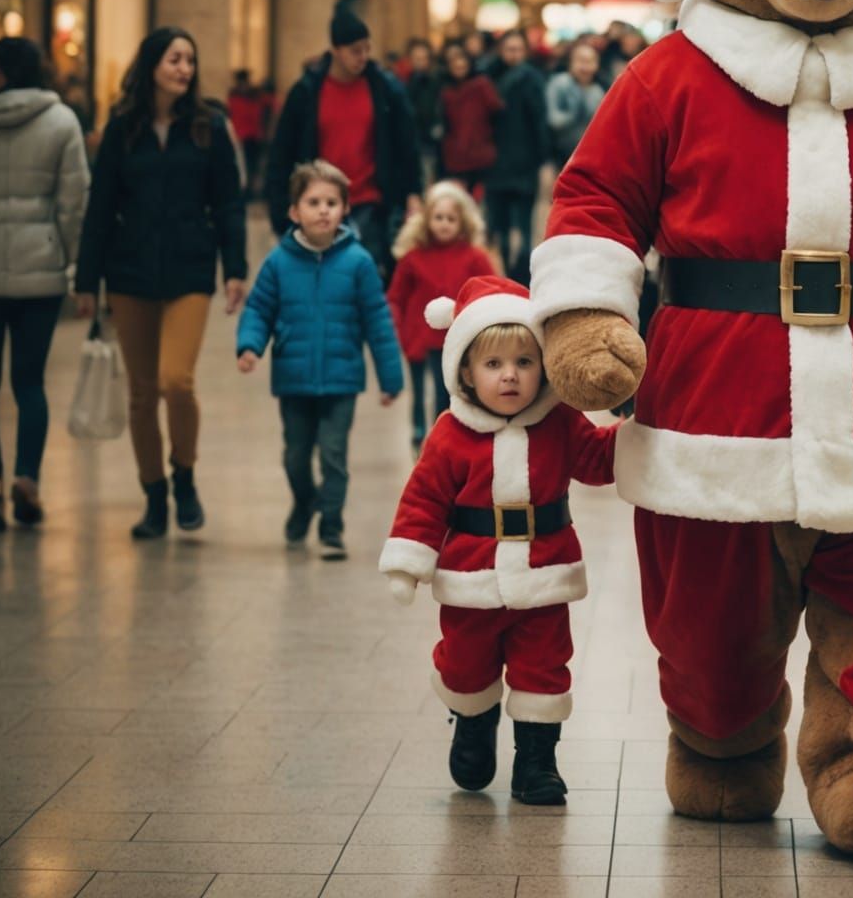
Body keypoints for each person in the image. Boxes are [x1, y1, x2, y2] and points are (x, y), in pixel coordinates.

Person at [379, 277, 619, 799]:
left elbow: (599, 461)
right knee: (465, 665)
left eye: (524, 362)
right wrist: (408, 560)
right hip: (472, 577)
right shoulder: (450, 434)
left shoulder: (560, 421)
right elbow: (424, 500)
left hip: (544, 574)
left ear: (544, 366)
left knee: (544, 668)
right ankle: (473, 722)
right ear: (466, 371)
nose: (510, 375)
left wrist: (634, 431)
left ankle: (537, 762)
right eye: (493, 364)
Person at [75, 27, 247, 539]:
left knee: (176, 380)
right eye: (175, 59)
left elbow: (229, 203)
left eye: (189, 60)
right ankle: (154, 495)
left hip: (189, 270)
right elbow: (100, 207)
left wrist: (235, 268)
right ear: (152, 65)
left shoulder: (209, 126)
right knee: (142, 393)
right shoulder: (123, 127)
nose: (184, 69)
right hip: (128, 272)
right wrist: (86, 280)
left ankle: (184, 476)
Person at [236, 160, 404, 559]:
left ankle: (331, 527)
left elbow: (377, 321)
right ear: (294, 212)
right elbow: (259, 308)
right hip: (293, 377)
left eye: (332, 202)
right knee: (295, 457)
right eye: (313, 202)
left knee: (333, 456)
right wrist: (249, 345)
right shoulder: (278, 262)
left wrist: (390, 377)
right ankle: (304, 501)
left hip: (341, 379)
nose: (324, 210)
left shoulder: (359, 262)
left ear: (345, 209)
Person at [0, 39, 89, 529]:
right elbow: (74, 204)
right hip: (42, 271)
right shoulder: (61, 121)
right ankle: (27, 477)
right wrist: (77, 268)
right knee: (30, 382)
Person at [264, 9, 422, 281]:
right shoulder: (307, 91)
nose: (363, 57)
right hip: (321, 203)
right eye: (355, 51)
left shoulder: (384, 89)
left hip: (370, 203)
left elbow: (406, 144)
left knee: (367, 281)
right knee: (324, 280)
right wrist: (280, 211)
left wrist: (412, 192)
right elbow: (282, 151)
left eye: (367, 49)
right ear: (336, 50)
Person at [389, 182, 497, 452]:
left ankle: (442, 435)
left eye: (451, 218)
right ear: (426, 220)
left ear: (463, 222)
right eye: (438, 217)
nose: (444, 224)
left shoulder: (475, 257)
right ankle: (418, 433)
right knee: (418, 389)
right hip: (417, 337)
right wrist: (397, 328)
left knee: (446, 390)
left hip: (455, 339)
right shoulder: (413, 258)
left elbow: (492, 290)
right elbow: (396, 297)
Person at [484, 30, 550, 283]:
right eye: (509, 49)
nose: (513, 54)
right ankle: (507, 275)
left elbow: (539, 121)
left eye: (518, 49)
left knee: (524, 226)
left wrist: (542, 158)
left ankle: (521, 277)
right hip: (496, 162)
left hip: (523, 162)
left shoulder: (531, 79)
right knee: (499, 226)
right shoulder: (489, 76)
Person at [439, 42, 502, 188]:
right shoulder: (446, 92)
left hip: (481, 152)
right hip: (457, 155)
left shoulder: (481, 85)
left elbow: (496, 111)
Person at [545, 41, 605, 168]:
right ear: (571, 62)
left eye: (590, 61)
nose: (585, 67)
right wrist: (574, 115)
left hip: (586, 158)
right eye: (581, 61)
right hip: (557, 155)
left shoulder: (598, 92)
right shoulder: (559, 84)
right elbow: (552, 120)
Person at [404, 39, 444, 186]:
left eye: (424, 58)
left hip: (431, 141)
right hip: (413, 141)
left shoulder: (437, 81)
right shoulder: (404, 82)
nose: (421, 62)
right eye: (417, 59)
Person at [227, 70, 266, 196]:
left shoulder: (253, 97)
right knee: (242, 165)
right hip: (240, 136)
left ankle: (250, 189)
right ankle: (244, 189)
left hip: (252, 136)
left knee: (252, 165)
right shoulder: (235, 97)